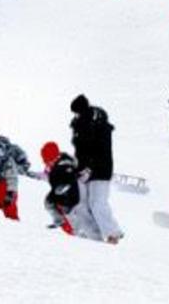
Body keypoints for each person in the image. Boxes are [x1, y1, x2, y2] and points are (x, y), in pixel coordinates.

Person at [69, 95, 123, 243]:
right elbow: (81, 151)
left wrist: (89, 168)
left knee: (97, 203)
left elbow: (98, 150)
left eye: (76, 112)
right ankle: (94, 235)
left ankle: (113, 234)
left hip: (100, 169)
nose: (75, 116)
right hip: (86, 170)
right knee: (83, 204)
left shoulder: (96, 125)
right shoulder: (82, 125)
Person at [38, 142, 80, 234]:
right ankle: (59, 220)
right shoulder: (54, 166)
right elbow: (51, 176)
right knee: (48, 202)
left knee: (68, 212)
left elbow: (70, 175)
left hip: (69, 194)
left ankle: (77, 232)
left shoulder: (64, 165)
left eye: (47, 160)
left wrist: (64, 186)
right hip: (58, 192)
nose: (46, 163)